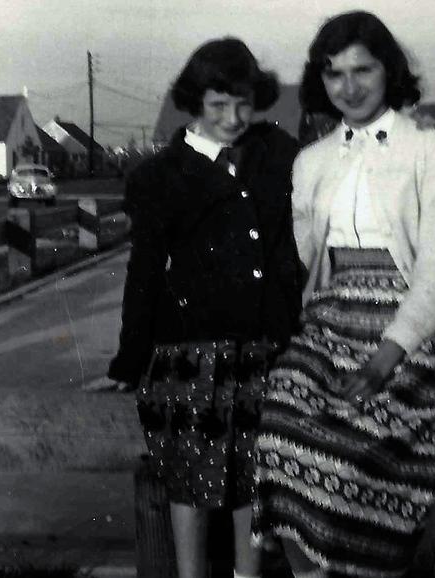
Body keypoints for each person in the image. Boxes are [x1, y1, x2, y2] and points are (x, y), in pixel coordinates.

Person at [252, 11, 435, 578]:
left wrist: (385, 358)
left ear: (389, 70)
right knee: (276, 434)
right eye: (334, 74)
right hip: (327, 323)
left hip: (412, 330)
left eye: (362, 70)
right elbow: (296, 262)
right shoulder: (312, 160)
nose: (348, 87)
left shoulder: (430, 148)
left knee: (357, 448)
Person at [100, 38, 303, 578]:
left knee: (251, 476)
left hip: (262, 350)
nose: (233, 118)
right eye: (218, 106)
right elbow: (143, 277)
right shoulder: (160, 178)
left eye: (243, 104)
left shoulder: (276, 155)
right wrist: (127, 360)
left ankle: (246, 573)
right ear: (194, 103)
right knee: (189, 478)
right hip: (188, 358)